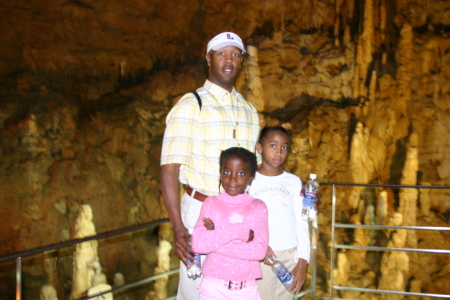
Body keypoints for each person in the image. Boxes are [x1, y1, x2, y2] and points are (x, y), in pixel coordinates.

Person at [160, 32, 261, 299]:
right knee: (198, 289)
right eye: (221, 54)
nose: (229, 60)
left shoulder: (249, 110)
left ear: (241, 62)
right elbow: (169, 168)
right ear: (209, 59)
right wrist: (178, 226)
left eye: (235, 55)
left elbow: (256, 170)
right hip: (201, 212)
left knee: (237, 286)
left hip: (241, 213)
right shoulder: (192, 105)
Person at [191, 147, 269, 300]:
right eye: (227, 172)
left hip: (246, 290)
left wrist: (215, 237)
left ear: (251, 177)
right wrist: (239, 231)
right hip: (212, 288)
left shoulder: (258, 207)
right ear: (220, 173)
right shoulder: (211, 203)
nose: (233, 178)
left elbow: (259, 252)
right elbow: (198, 244)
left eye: (241, 173)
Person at [248, 126, 311, 300]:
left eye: (284, 147)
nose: (279, 152)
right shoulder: (249, 181)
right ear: (259, 148)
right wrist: (258, 243)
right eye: (273, 146)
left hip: (290, 255)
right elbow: (243, 220)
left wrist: (302, 262)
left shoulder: (293, 182)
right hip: (262, 256)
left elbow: (302, 221)